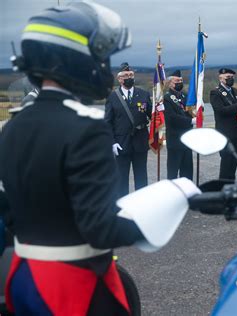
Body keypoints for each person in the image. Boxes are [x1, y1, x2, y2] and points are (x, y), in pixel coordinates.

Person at [0, 2, 146, 314]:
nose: (105, 66)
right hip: (73, 285)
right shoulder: (86, 127)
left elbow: (9, 211)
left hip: (24, 277)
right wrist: (151, 222)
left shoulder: (13, 126)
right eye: (101, 57)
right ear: (74, 59)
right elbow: (100, 229)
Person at [105, 62, 152, 197]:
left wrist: (159, 108)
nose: (129, 77)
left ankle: (141, 204)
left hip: (140, 141)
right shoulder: (113, 97)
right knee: (121, 179)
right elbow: (107, 122)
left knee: (141, 177)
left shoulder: (143, 94)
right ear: (119, 79)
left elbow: (152, 115)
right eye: (126, 75)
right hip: (121, 143)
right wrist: (112, 142)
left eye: (131, 74)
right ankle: (122, 207)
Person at [210, 68, 237, 180]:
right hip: (225, 133)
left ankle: (231, 185)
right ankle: (223, 186)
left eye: (232, 77)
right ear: (220, 78)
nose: (230, 79)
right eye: (228, 77)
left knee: (234, 162)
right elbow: (221, 111)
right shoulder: (215, 93)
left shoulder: (235, 91)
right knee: (226, 162)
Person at [163, 70, 195, 180]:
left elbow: (190, 110)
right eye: (177, 81)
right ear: (170, 83)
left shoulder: (185, 96)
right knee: (173, 172)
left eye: (181, 80)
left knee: (187, 171)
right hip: (175, 140)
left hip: (187, 139)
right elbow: (172, 118)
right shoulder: (166, 98)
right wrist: (190, 121)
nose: (179, 83)